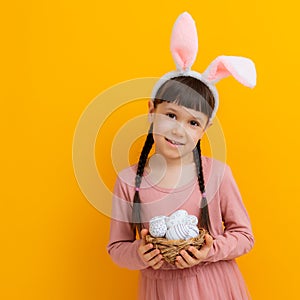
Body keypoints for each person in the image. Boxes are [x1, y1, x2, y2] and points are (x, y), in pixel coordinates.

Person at [107, 12, 256, 300]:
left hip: (216, 287)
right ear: (152, 110)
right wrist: (139, 254)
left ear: (205, 129)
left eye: (193, 122)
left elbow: (245, 236)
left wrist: (210, 250)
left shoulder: (217, 174)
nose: (179, 130)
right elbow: (116, 247)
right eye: (171, 115)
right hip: (161, 291)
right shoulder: (129, 182)